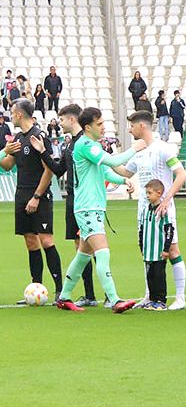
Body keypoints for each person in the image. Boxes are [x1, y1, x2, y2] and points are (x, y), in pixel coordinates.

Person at [54, 107, 147, 313]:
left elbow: (106, 170)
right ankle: (114, 300)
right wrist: (135, 148)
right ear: (88, 127)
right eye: (99, 124)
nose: (104, 127)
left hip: (91, 207)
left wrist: (123, 180)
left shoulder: (91, 146)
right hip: (87, 207)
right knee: (103, 252)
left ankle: (64, 297)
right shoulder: (85, 144)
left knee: (83, 256)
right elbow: (114, 161)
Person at [33, 104, 112, 305]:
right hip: (73, 201)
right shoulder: (69, 145)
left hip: (85, 202)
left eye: (62, 120)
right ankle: (90, 294)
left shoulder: (85, 144)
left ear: (72, 119)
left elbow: (104, 167)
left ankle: (101, 294)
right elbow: (59, 170)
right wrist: (43, 152)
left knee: (93, 246)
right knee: (82, 247)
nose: (59, 124)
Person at [114, 111, 186, 310]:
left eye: (131, 126)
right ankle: (149, 295)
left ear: (142, 126)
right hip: (143, 211)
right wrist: (105, 158)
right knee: (147, 251)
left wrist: (167, 199)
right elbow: (125, 172)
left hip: (163, 210)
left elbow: (181, 174)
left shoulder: (163, 148)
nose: (129, 130)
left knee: (172, 250)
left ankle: (180, 298)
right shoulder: (138, 151)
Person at [1, 98, 62, 302]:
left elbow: (49, 170)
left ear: (19, 114)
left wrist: (36, 196)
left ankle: (60, 290)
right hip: (21, 194)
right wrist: (5, 151)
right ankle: (36, 287)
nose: (10, 114)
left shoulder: (39, 136)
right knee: (30, 241)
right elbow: (8, 165)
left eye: (12, 110)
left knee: (46, 240)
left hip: (40, 196)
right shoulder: (18, 137)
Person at [137, 179, 175, 310]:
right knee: (150, 276)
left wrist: (166, 249)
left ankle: (161, 300)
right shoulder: (145, 210)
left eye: (149, 193)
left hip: (158, 251)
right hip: (148, 251)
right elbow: (141, 230)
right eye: (146, 193)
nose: (147, 196)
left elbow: (169, 229)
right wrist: (141, 246)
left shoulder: (164, 210)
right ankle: (152, 299)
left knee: (159, 276)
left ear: (159, 193)